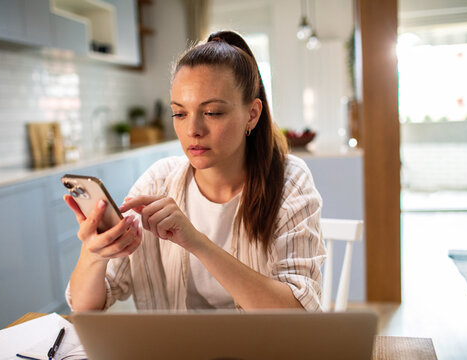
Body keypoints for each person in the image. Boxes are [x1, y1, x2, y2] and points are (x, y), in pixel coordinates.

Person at [64, 30, 326, 312]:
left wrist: (197, 242)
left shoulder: (290, 181)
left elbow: (299, 315)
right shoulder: (158, 182)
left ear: (252, 114)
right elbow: (84, 307)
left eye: (212, 112)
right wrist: (94, 254)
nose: (192, 130)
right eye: (180, 113)